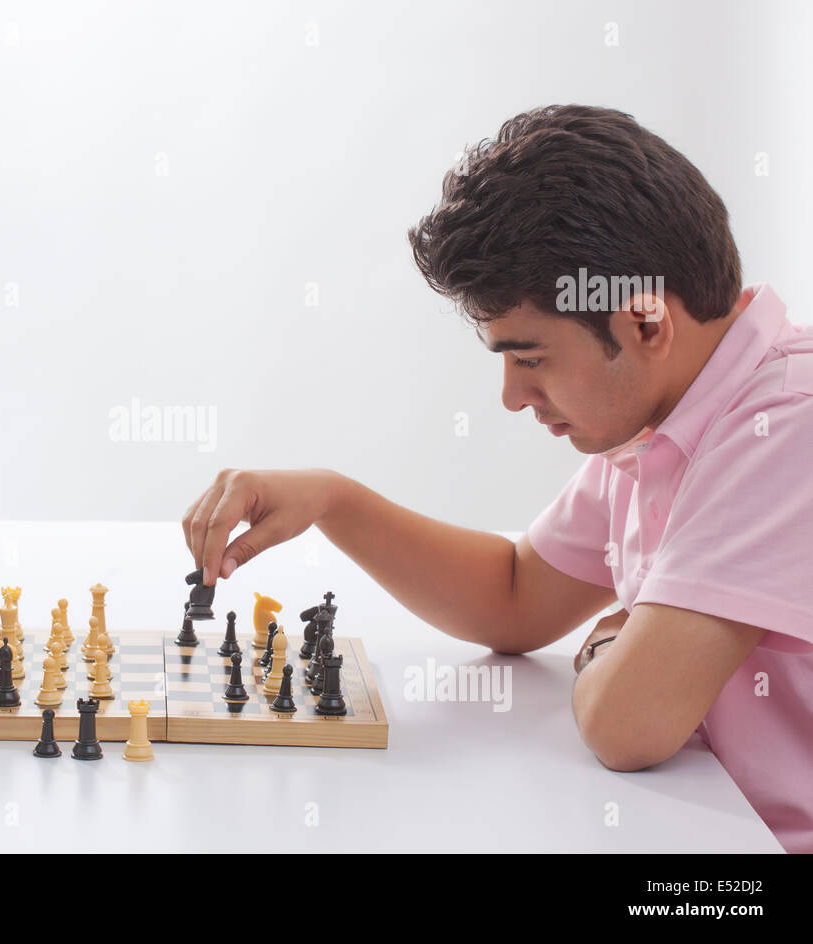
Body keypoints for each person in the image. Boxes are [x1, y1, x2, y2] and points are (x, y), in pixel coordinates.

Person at [182, 105, 811, 854]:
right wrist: (330, 499)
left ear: (646, 324)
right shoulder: (666, 419)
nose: (512, 396)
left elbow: (627, 725)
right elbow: (516, 599)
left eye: (531, 358)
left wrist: (615, 654)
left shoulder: (787, 426)